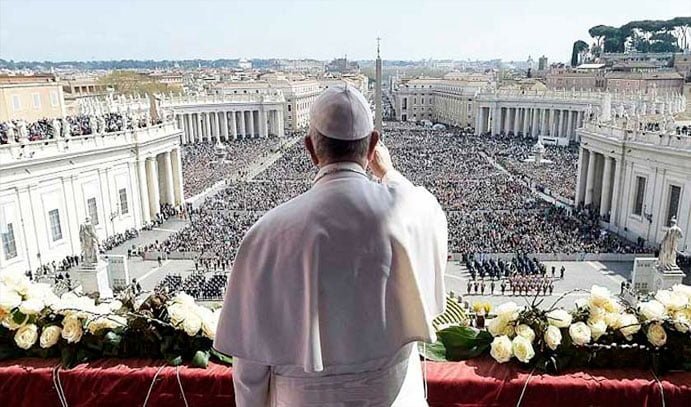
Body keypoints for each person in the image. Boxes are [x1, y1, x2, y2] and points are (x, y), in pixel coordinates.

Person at [214, 85, 448, 406]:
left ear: (310, 148)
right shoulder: (409, 211)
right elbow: (427, 209)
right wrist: (389, 172)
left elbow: (250, 367)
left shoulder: (268, 233)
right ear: (373, 146)